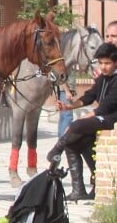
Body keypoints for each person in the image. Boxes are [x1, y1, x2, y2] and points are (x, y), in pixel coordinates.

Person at [46, 42, 117, 201]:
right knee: (73, 144)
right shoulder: (102, 80)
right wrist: (68, 106)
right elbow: (88, 97)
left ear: (115, 63)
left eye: (108, 63)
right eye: (101, 63)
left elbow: (104, 108)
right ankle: (79, 190)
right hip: (100, 118)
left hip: (111, 119)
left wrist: (74, 124)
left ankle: (57, 149)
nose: (104, 67)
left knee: (76, 126)